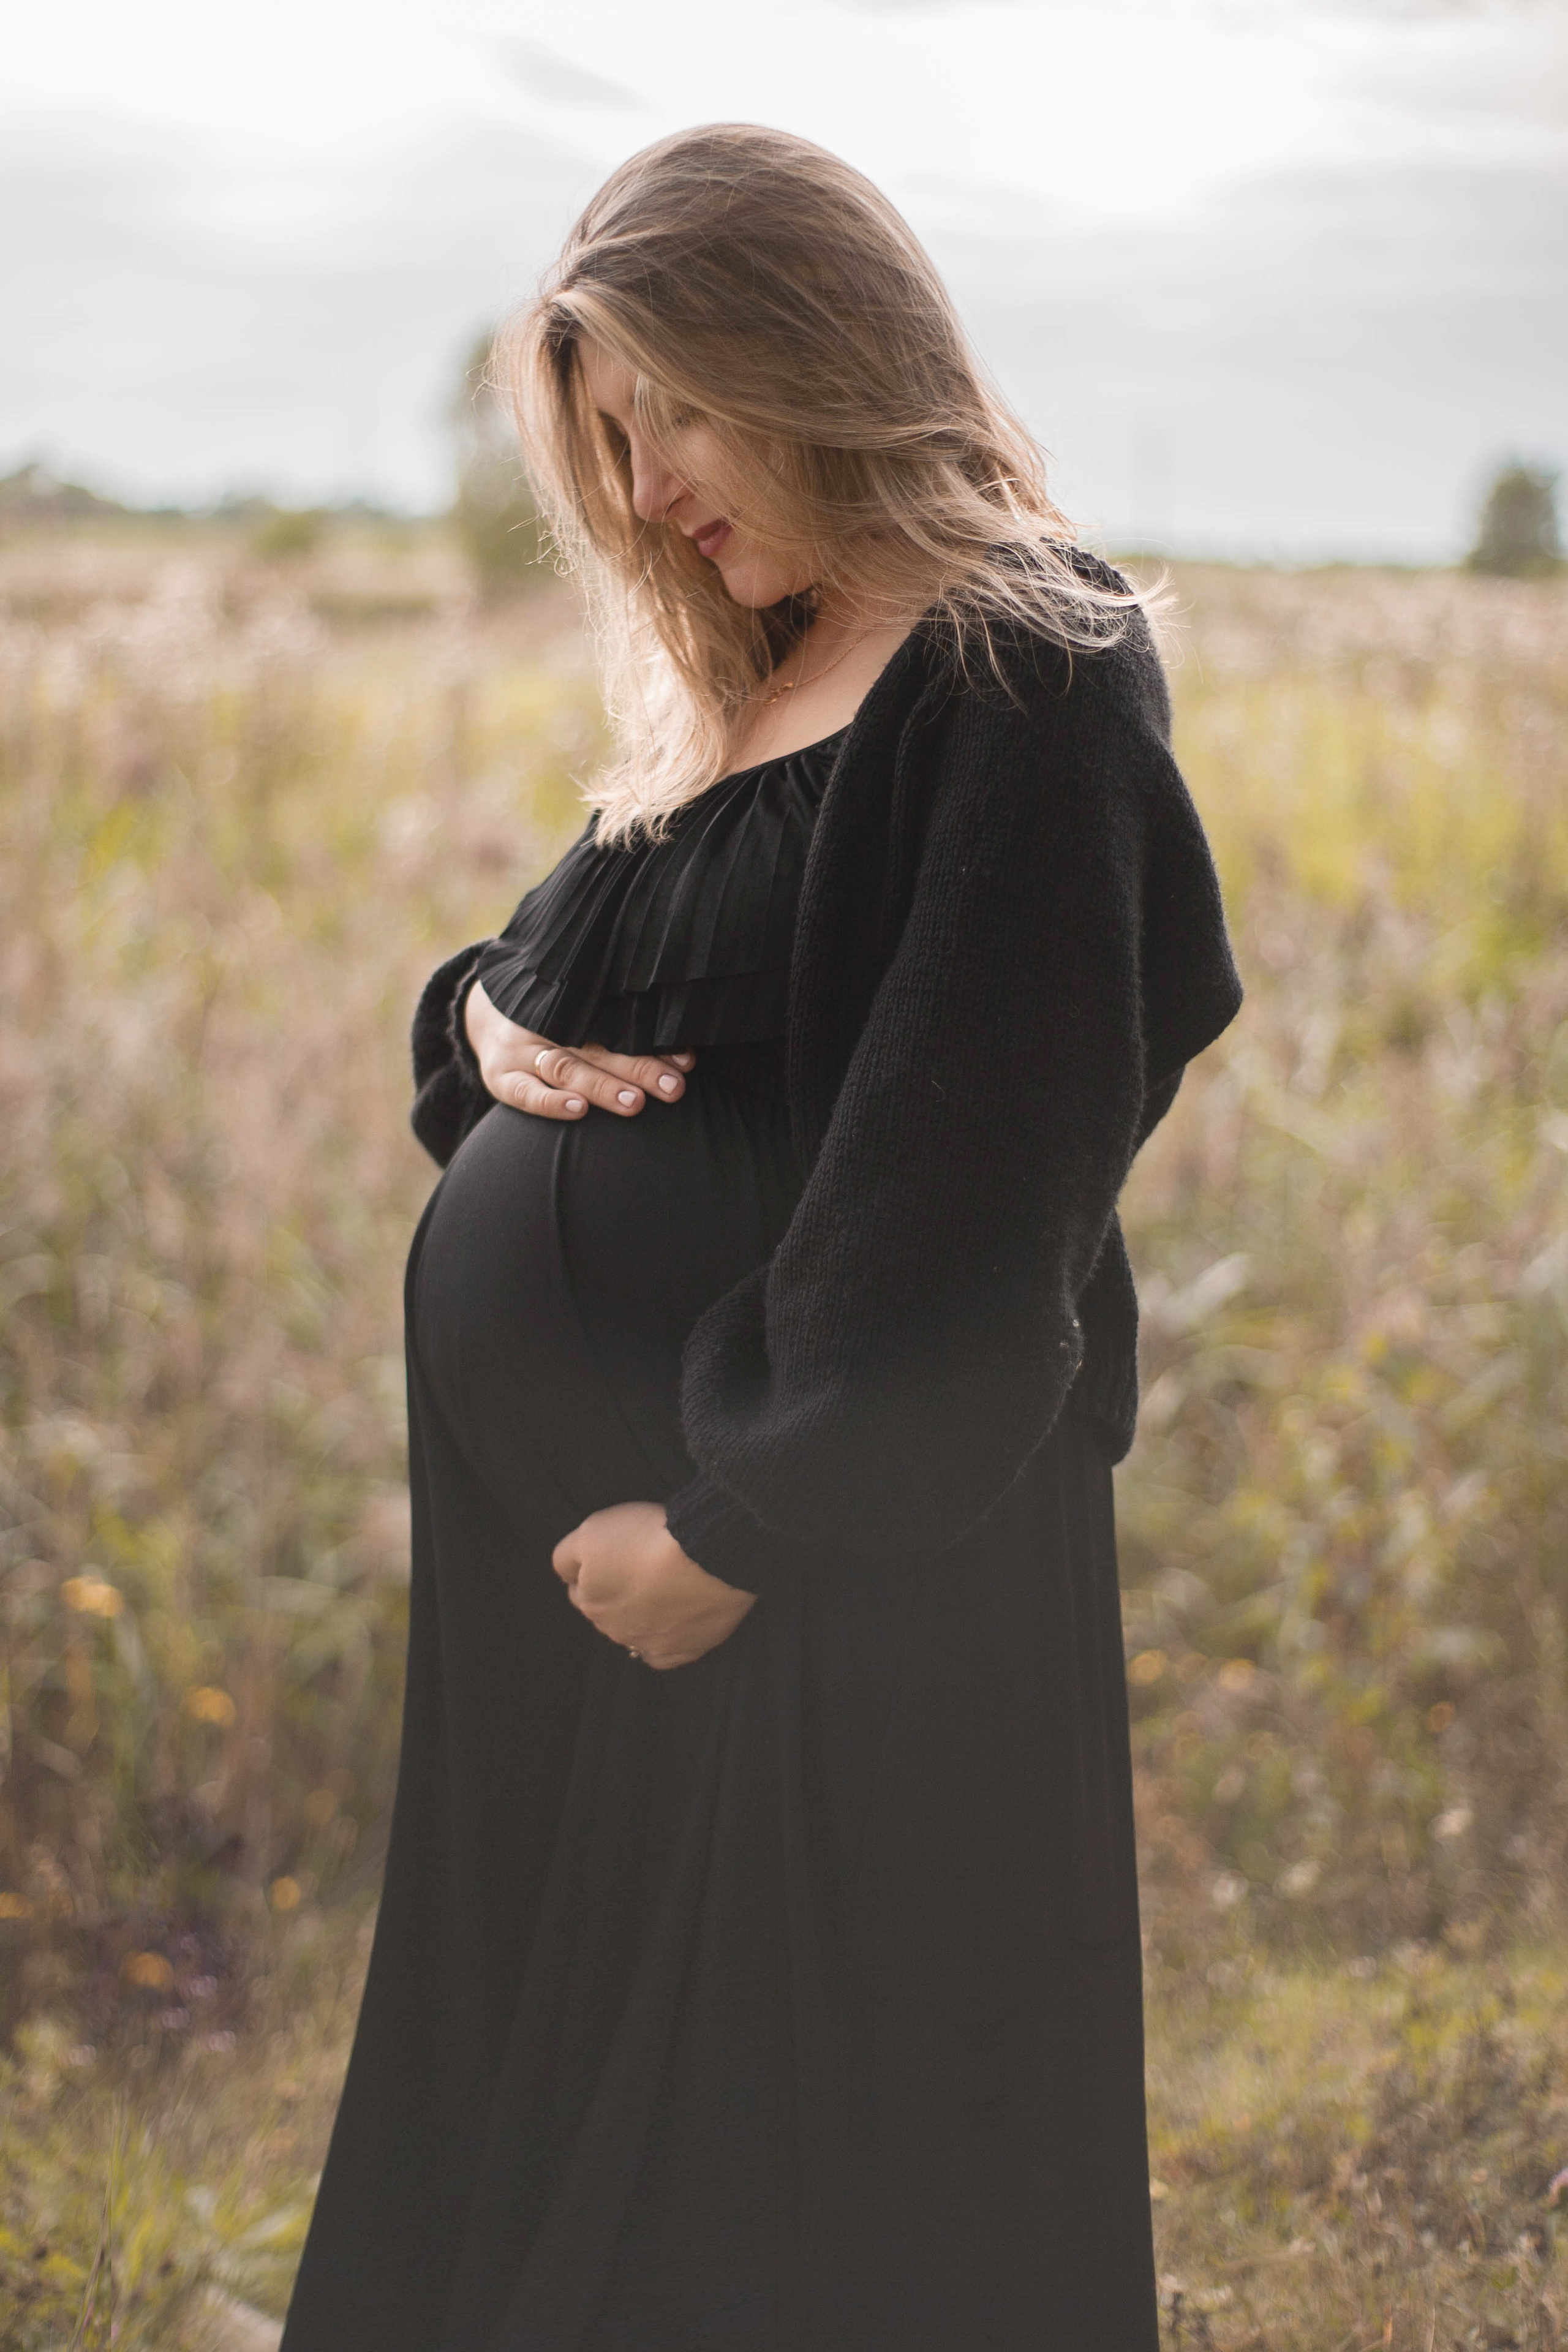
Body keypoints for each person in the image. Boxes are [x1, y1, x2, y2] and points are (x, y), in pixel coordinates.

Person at [279, 123, 1243, 2352]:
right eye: (608, 444)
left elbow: (988, 1171)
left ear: (818, 343)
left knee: (812, 2203)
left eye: (678, 412)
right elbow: (560, 996)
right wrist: (481, 1026)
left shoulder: (1023, 667)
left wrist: (737, 1525)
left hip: (832, 1584)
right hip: (629, 1620)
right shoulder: (751, 680)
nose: (643, 491)